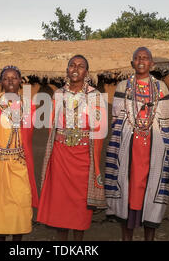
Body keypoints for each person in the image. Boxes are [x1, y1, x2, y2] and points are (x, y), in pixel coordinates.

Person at [105, 47, 169, 241]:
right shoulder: (122, 86)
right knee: (127, 193)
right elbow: (117, 120)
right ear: (132, 62)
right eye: (137, 57)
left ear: (152, 64)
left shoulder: (161, 88)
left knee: (150, 195)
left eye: (145, 58)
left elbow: (165, 123)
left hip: (153, 150)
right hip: (128, 151)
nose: (141, 60)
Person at [37, 55, 107, 241]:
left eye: (81, 66)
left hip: (84, 156)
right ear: (67, 70)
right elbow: (53, 126)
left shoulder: (94, 96)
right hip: (60, 155)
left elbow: (99, 129)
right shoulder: (58, 95)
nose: (75, 69)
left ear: (87, 72)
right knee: (61, 205)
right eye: (72, 65)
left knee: (79, 206)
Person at [0, 65, 39, 241]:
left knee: (21, 204)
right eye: (6, 78)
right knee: (1, 209)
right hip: (0, 164)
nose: (11, 81)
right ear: (1, 82)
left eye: (14, 77)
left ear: (20, 81)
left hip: (20, 163)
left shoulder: (29, 106)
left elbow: (27, 135)